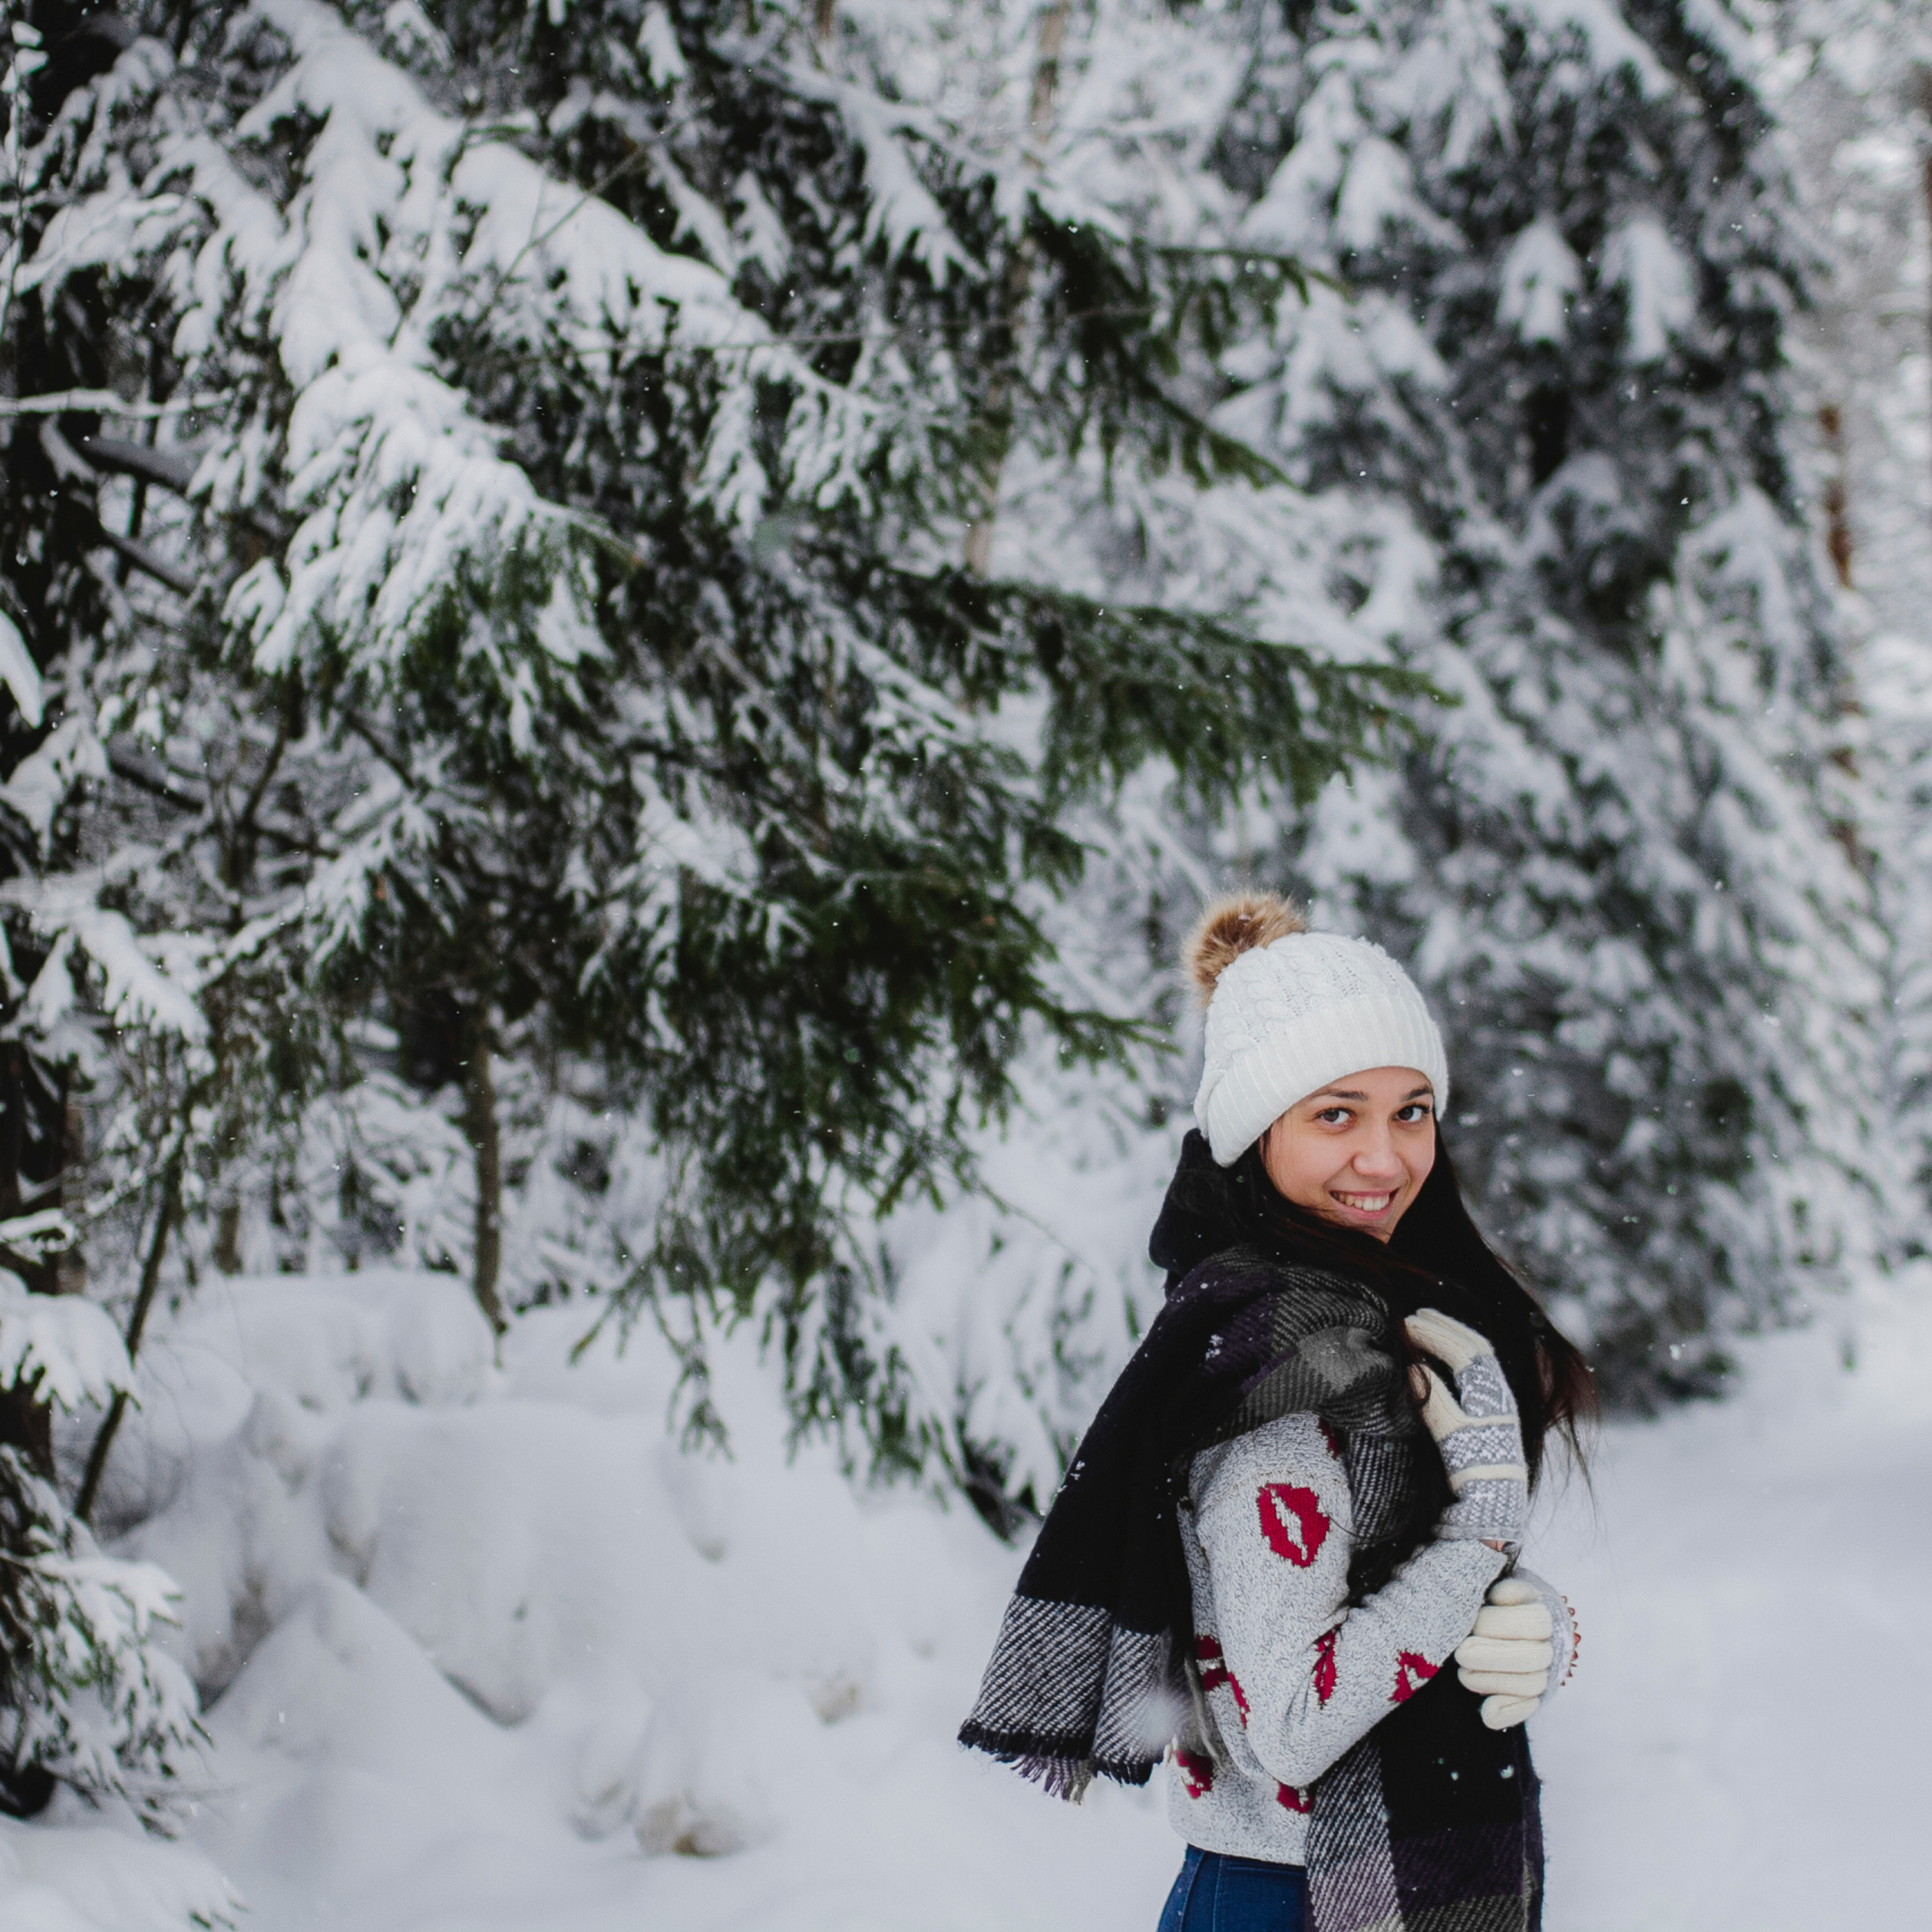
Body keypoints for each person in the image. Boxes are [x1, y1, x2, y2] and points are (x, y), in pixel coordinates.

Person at [961, 893, 1592, 1932]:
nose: (1385, 1158)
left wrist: (1525, 1629)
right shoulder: (1287, 1374)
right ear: (1257, 1132)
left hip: (1374, 1882)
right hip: (1297, 1895)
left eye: (1411, 1111)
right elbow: (1294, 1726)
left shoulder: (1384, 1315)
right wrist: (1478, 1540)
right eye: (1336, 1114)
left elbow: (1390, 1591)